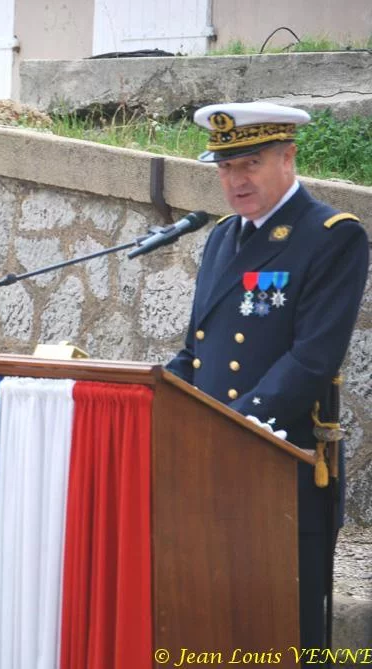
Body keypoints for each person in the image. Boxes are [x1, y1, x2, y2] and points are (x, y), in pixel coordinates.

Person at [166, 101, 368, 649]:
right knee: (211, 624)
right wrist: (152, 395)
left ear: (287, 157)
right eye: (225, 167)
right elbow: (195, 352)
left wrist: (227, 427)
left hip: (280, 463)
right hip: (210, 463)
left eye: (249, 163)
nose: (235, 180)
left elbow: (312, 360)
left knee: (282, 631)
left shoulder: (331, 235)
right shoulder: (221, 237)